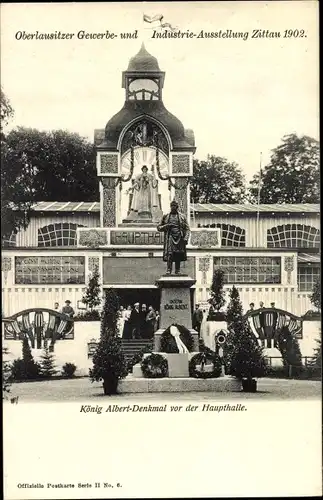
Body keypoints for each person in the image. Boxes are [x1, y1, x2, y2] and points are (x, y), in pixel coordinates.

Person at [157, 200, 190, 275]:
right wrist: (166, 226)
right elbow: (158, 227)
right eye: (172, 206)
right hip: (170, 237)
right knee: (170, 253)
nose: (173, 207)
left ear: (177, 207)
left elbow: (187, 229)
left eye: (174, 206)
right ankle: (169, 270)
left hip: (179, 237)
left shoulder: (182, 217)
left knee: (178, 253)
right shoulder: (166, 216)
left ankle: (177, 270)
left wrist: (186, 238)